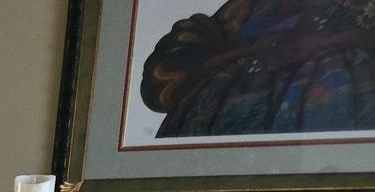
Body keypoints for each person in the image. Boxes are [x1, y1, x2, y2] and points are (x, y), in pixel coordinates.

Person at [142, 0, 375, 139]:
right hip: (221, 148)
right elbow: (168, 79)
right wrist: (251, 52)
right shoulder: (245, 10)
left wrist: (330, 41)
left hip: (327, 124)